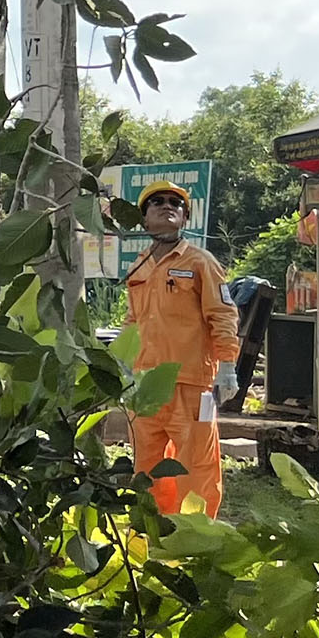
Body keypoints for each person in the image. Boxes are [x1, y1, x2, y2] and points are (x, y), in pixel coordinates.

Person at [123, 182, 239, 517]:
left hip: (191, 385)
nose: (167, 206)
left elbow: (222, 313)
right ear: (144, 219)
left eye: (176, 203)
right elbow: (134, 319)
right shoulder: (139, 265)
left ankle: (194, 541)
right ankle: (151, 539)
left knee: (195, 468)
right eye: (156, 202)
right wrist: (124, 364)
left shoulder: (200, 262)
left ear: (185, 217)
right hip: (145, 388)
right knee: (146, 468)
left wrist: (228, 364)